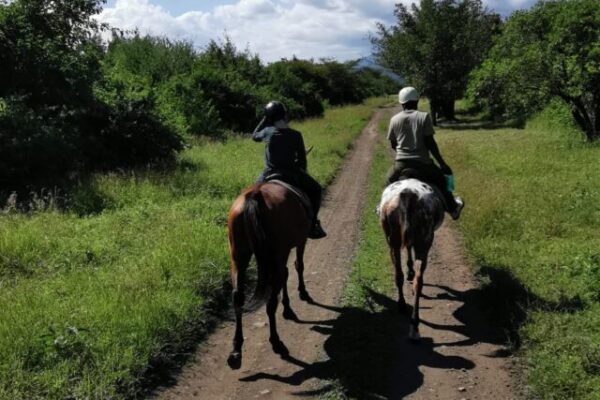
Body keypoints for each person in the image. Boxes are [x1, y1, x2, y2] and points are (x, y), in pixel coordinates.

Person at [386, 87, 464, 220]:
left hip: (401, 164)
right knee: (442, 181)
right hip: (423, 164)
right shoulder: (424, 117)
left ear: (401, 103)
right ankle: (453, 208)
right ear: (416, 101)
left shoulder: (394, 119)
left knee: (388, 182)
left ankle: (380, 208)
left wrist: (403, 153)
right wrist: (442, 163)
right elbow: (430, 143)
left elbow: (393, 144)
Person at [252, 100, 327, 239]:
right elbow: (302, 160)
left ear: (269, 117)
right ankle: (312, 225)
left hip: (269, 173)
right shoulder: (296, 134)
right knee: (316, 190)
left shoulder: (267, 132)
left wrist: (264, 120)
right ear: (284, 115)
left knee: (252, 194)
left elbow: (254, 136)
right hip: (292, 172)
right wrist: (301, 171)